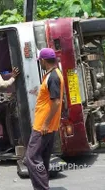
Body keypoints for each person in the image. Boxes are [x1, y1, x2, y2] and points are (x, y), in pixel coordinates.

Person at [25, 48, 64, 190]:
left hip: (43, 126)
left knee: (32, 159)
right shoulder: (54, 74)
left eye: (39, 61)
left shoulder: (53, 76)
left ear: (43, 60)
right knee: (42, 158)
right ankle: (43, 186)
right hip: (48, 125)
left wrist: (46, 123)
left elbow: (56, 102)